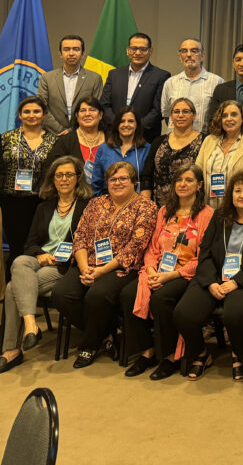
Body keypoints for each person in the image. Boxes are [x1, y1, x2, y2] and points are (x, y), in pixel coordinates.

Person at [50, 161, 157, 369]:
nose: (117, 183)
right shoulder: (96, 203)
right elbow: (80, 236)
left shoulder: (146, 206)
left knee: (96, 296)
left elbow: (135, 247)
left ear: (134, 181)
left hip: (122, 268)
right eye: (112, 179)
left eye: (123, 178)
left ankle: (90, 344)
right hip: (87, 264)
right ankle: (106, 333)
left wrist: (100, 272)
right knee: (61, 294)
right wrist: (84, 268)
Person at [174, 171, 243, 381]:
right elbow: (206, 250)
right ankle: (201, 352)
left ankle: (239, 353)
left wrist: (237, 282)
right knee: (184, 313)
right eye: (238, 191)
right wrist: (211, 282)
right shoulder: (220, 216)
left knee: (235, 312)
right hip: (215, 277)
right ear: (231, 194)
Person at [119, 164, 214, 380]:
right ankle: (147, 351)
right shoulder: (164, 211)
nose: (182, 184)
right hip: (158, 269)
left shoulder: (207, 214)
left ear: (199, 185)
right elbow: (152, 247)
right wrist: (152, 270)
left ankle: (170, 356)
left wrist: (168, 276)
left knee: (161, 299)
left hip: (186, 273)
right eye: (179, 180)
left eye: (188, 180)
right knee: (127, 294)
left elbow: (203, 257)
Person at [0, 156, 90, 373]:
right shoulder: (44, 207)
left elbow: (87, 242)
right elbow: (29, 243)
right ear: (53, 179)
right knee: (21, 260)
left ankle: (11, 349)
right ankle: (31, 326)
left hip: (64, 265)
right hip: (39, 261)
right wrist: (40, 255)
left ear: (78, 178)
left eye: (69, 174)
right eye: (59, 175)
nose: (64, 179)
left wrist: (63, 258)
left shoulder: (88, 206)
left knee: (13, 288)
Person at [0, 96, 57, 264]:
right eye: (27, 111)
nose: (31, 115)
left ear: (44, 115)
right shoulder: (6, 139)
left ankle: (35, 281)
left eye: (36, 111)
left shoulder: (54, 141)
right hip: (11, 201)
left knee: (36, 246)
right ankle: (13, 286)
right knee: (16, 246)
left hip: (41, 201)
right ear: (20, 115)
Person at [100, 32, 170, 142]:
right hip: (115, 137)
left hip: (145, 138)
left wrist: (133, 128)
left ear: (150, 51)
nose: (137, 53)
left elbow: (158, 110)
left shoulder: (161, 76)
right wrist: (119, 125)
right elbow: (104, 105)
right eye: (134, 48)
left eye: (143, 49)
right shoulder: (114, 74)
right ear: (128, 50)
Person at [196, 100, 243, 210]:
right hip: (207, 209)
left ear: (242, 119)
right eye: (224, 116)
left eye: (234, 114)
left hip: (238, 210)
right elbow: (197, 173)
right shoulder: (209, 140)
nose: (229, 119)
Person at [140, 98, 203, 206]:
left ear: (194, 115)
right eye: (176, 111)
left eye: (185, 111)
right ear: (171, 116)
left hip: (192, 207)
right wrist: (145, 206)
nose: (180, 115)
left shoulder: (204, 141)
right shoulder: (158, 141)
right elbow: (147, 177)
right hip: (159, 208)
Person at [37, 34, 103, 134]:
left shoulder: (94, 79)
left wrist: (74, 132)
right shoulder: (46, 78)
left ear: (83, 53)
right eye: (66, 49)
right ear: (60, 53)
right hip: (53, 134)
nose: (71, 53)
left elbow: (96, 109)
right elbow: (41, 107)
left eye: (76, 49)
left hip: (83, 135)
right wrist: (60, 131)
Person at [160, 38, 223, 133]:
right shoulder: (170, 83)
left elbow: (220, 116)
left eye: (194, 51)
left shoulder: (217, 82)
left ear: (202, 56)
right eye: (184, 51)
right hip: (175, 141)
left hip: (204, 142)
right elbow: (167, 115)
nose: (189, 55)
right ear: (180, 56)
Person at [42, 96, 106, 185]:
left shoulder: (111, 140)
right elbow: (50, 169)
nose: (87, 114)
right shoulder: (66, 141)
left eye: (92, 110)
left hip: (107, 194)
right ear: (76, 115)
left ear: (100, 115)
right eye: (82, 111)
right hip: (74, 194)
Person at [91, 106, 151, 196]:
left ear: (137, 125)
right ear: (117, 125)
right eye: (122, 121)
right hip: (107, 202)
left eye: (130, 121)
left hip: (136, 203)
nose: (126, 125)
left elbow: (148, 181)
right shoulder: (103, 149)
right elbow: (96, 183)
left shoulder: (146, 149)